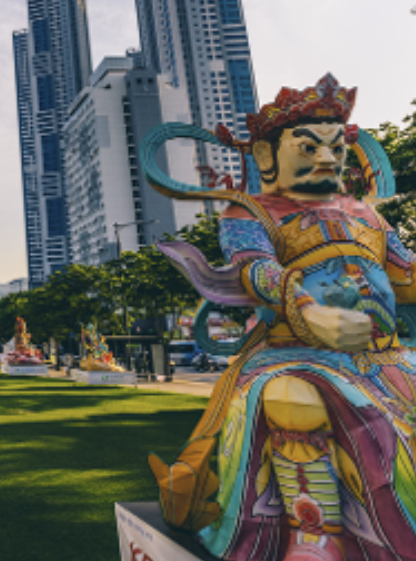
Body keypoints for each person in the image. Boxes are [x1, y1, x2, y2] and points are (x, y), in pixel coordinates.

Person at [148, 74, 416, 561]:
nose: (328, 158)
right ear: (268, 156)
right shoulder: (251, 213)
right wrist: (308, 310)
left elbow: (406, 274)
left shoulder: (369, 216)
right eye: (310, 146)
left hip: (385, 357)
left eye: (337, 147)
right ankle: (315, 530)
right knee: (292, 398)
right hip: (293, 352)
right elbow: (256, 270)